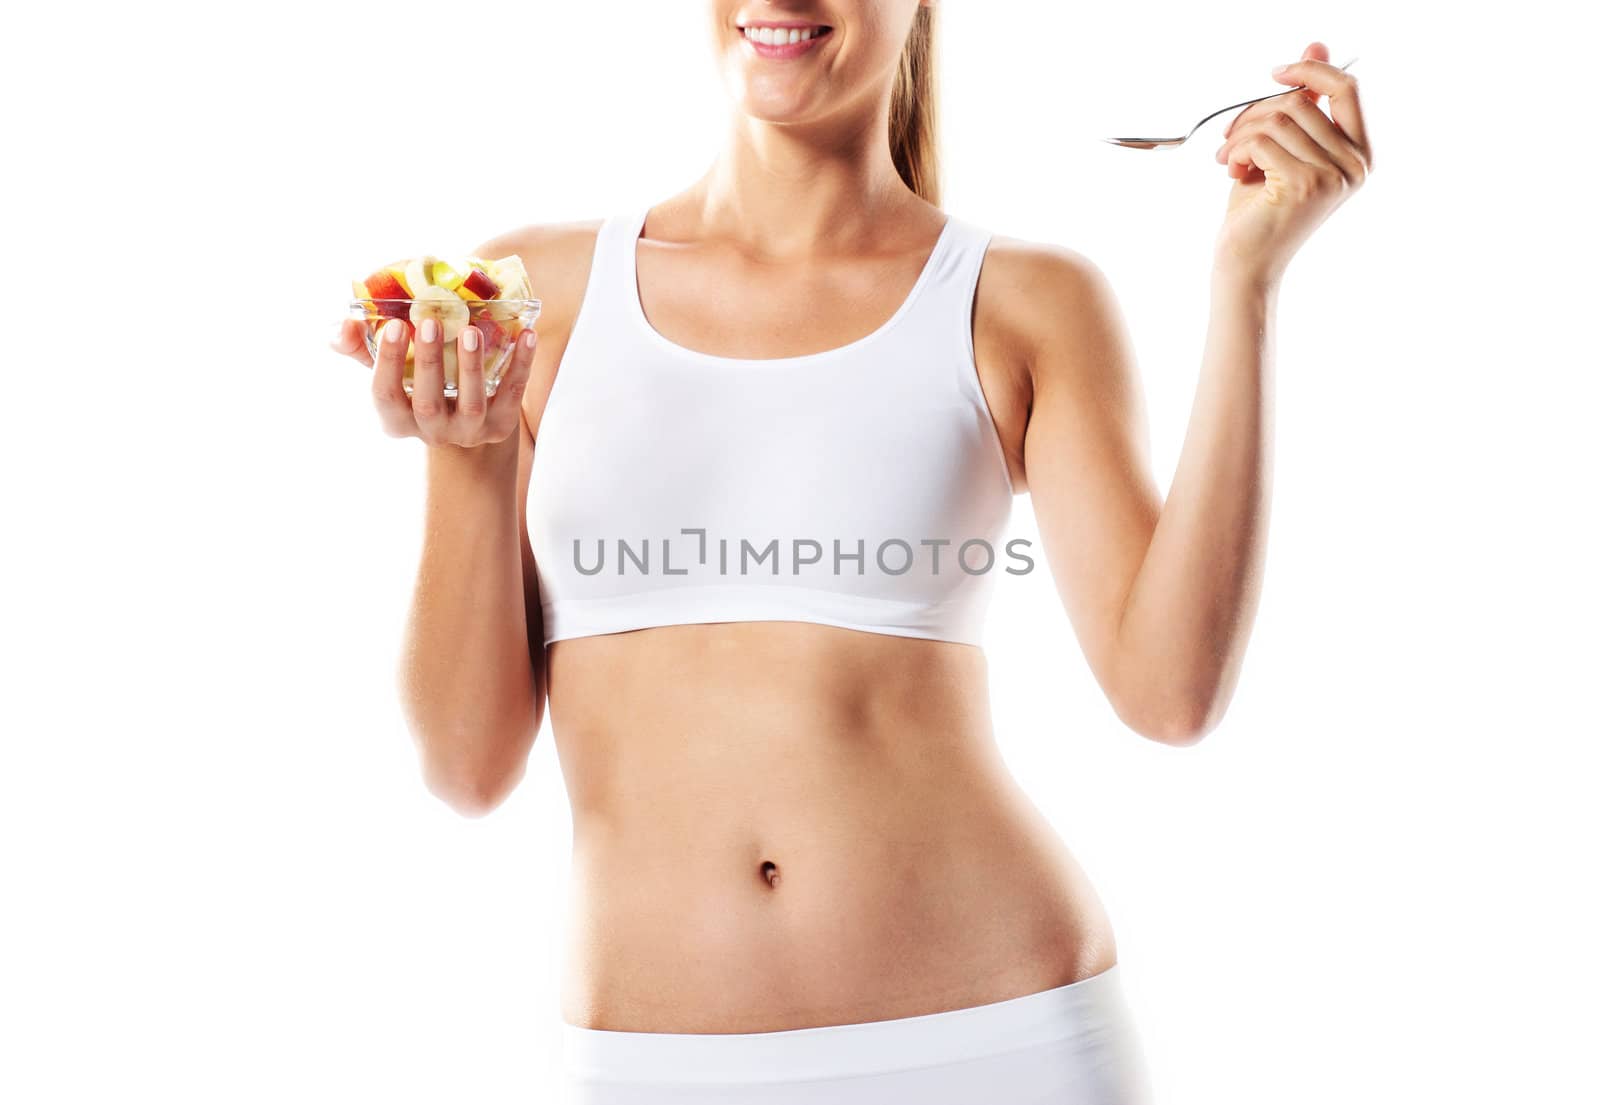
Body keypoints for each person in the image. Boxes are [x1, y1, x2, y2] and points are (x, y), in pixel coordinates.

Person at [328, 4, 1372, 1101]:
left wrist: (1243, 285)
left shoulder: (1024, 300)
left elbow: (1170, 694)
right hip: (653, 1065)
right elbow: (464, 765)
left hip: (997, 1042)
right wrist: (469, 452)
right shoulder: (533, 295)